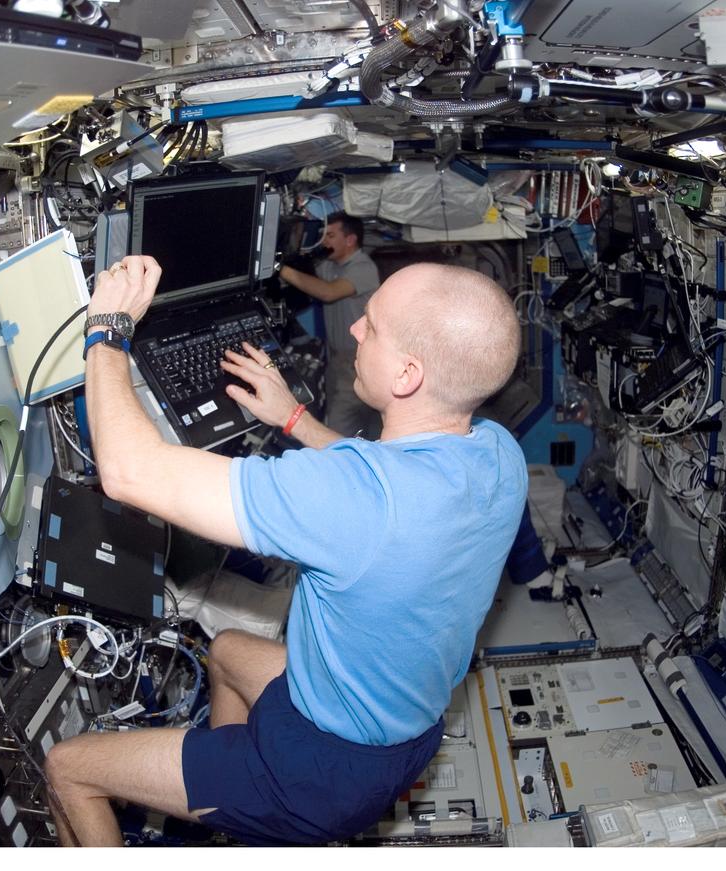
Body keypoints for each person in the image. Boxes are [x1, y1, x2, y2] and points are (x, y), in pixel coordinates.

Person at [45, 255, 526, 846]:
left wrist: (108, 328)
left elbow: (128, 473)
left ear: (406, 374)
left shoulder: (349, 502)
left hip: (318, 777)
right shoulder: (498, 455)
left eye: (369, 326)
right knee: (225, 651)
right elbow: (381, 478)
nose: (353, 329)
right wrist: (294, 417)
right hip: (403, 734)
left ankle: (241, 796)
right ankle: (229, 817)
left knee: (68, 770)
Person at [278, 211, 382, 439]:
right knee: (339, 416)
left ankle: (340, 464)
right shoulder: (330, 266)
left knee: (338, 424)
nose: (324, 241)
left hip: (357, 360)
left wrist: (279, 268)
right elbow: (309, 280)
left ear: (350, 239)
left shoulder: (364, 267)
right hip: (336, 358)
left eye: (331, 235)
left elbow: (328, 292)